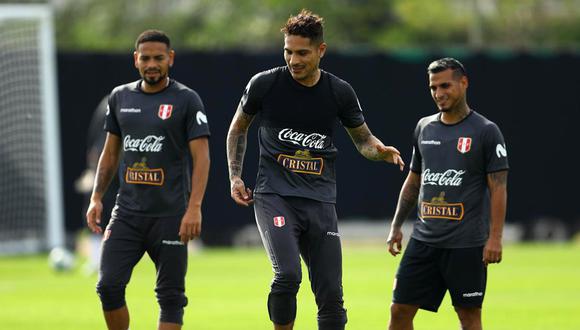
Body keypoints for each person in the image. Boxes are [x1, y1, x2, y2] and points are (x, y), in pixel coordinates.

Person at [226, 9, 404, 330]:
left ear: (321, 50)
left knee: (332, 295)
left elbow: (363, 140)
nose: (293, 59)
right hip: (274, 196)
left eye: (302, 52)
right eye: (288, 51)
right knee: (287, 274)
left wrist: (378, 151)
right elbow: (238, 128)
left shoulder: (339, 92)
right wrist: (235, 175)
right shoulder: (265, 84)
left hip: (320, 201)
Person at [86, 30, 210, 330]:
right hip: (127, 213)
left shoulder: (186, 100)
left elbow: (202, 157)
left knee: (170, 297)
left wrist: (194, 207)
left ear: (170, 59)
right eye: (146, 58)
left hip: (171, 215)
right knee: (108, 286)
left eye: (158, 58)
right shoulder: (120, 97)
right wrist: (96, 197)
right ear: (135, 60)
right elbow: (110, 153)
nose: (152, 64)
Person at [386, 58, 509, 330]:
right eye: (433, 87)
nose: (439, 93)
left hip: (466, 245)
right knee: (399, 310)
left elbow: (498, 186)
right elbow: (414, 180)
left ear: (463, 83)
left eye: (445, 85)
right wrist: (396, 226)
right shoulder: (424, 127)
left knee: (468, 316)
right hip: (424, 241)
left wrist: (495, 238)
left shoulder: (486, 131)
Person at [75, 95, 119, 275]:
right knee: (95, 208)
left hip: (127, 170)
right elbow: (96, 142)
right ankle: (95, 259)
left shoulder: (133, 105)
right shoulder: (108, 105)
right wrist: (93, 168)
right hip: (104, 170)